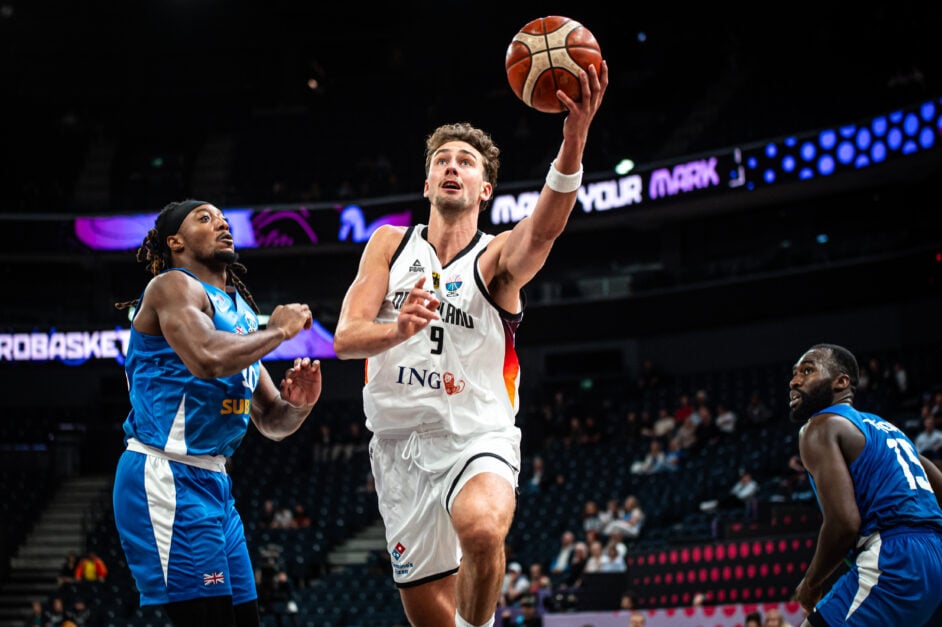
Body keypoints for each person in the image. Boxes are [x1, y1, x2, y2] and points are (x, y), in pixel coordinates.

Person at [331, 57, 608, 627]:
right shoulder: (388, 244)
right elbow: (345, 339)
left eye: (466, 161)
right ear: (427, 182)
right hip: (399, 448)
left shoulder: (496, 256)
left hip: (476, 434)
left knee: (483, 529)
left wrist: (573, 142)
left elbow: (546, 228)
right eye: (441, 160)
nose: (452, 166)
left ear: (485, 188)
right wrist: (397, 328)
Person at [111, 199, 324, 626]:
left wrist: (300, 406)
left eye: (224, 219)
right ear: (175, 241)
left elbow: (271, 420)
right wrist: (278, 331)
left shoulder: (239, 313)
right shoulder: (172, 287)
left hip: (214, 482)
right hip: (166, 475)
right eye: (205, 219)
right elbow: (206, 358)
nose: (221, 225)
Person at [787, 343, 942, 625]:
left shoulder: (820, 426)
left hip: (894, 557)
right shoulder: (886, 429)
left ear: (841, 382)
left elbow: (844, 523)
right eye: (795, 373)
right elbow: (931, 473)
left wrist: (810, 584)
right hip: (933, 556)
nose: (794, 380)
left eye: (807, 370)